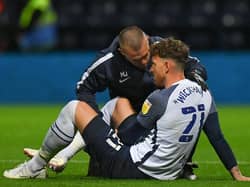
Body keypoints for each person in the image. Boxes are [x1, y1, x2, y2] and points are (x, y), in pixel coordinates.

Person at [3, 38, 250, 181]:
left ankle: (36, 166)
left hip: (131, 166)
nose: (149, 69)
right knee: (119, 103)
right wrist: (237, 174)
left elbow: (127, 136)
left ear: (165, 65)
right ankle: (66, 151)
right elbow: (216, 137)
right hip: (169, 172)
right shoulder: (206, 93)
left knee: (77, 108)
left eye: (153, 65)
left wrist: (95, 136)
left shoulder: (159, 98)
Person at [22, 25, 207, 179]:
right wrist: (93, 126)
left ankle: (61, 153)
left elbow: (192, 63)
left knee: (190, 112)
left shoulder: (160, 47)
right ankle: (62, 155)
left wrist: (196, 76)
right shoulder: (108, 62)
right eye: (137, 59)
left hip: (156, 122)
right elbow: (84, 88)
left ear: (148, 40)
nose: (145, 62)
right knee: (99, 171)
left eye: (146, 55)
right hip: (126, 122)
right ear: (122, 52)